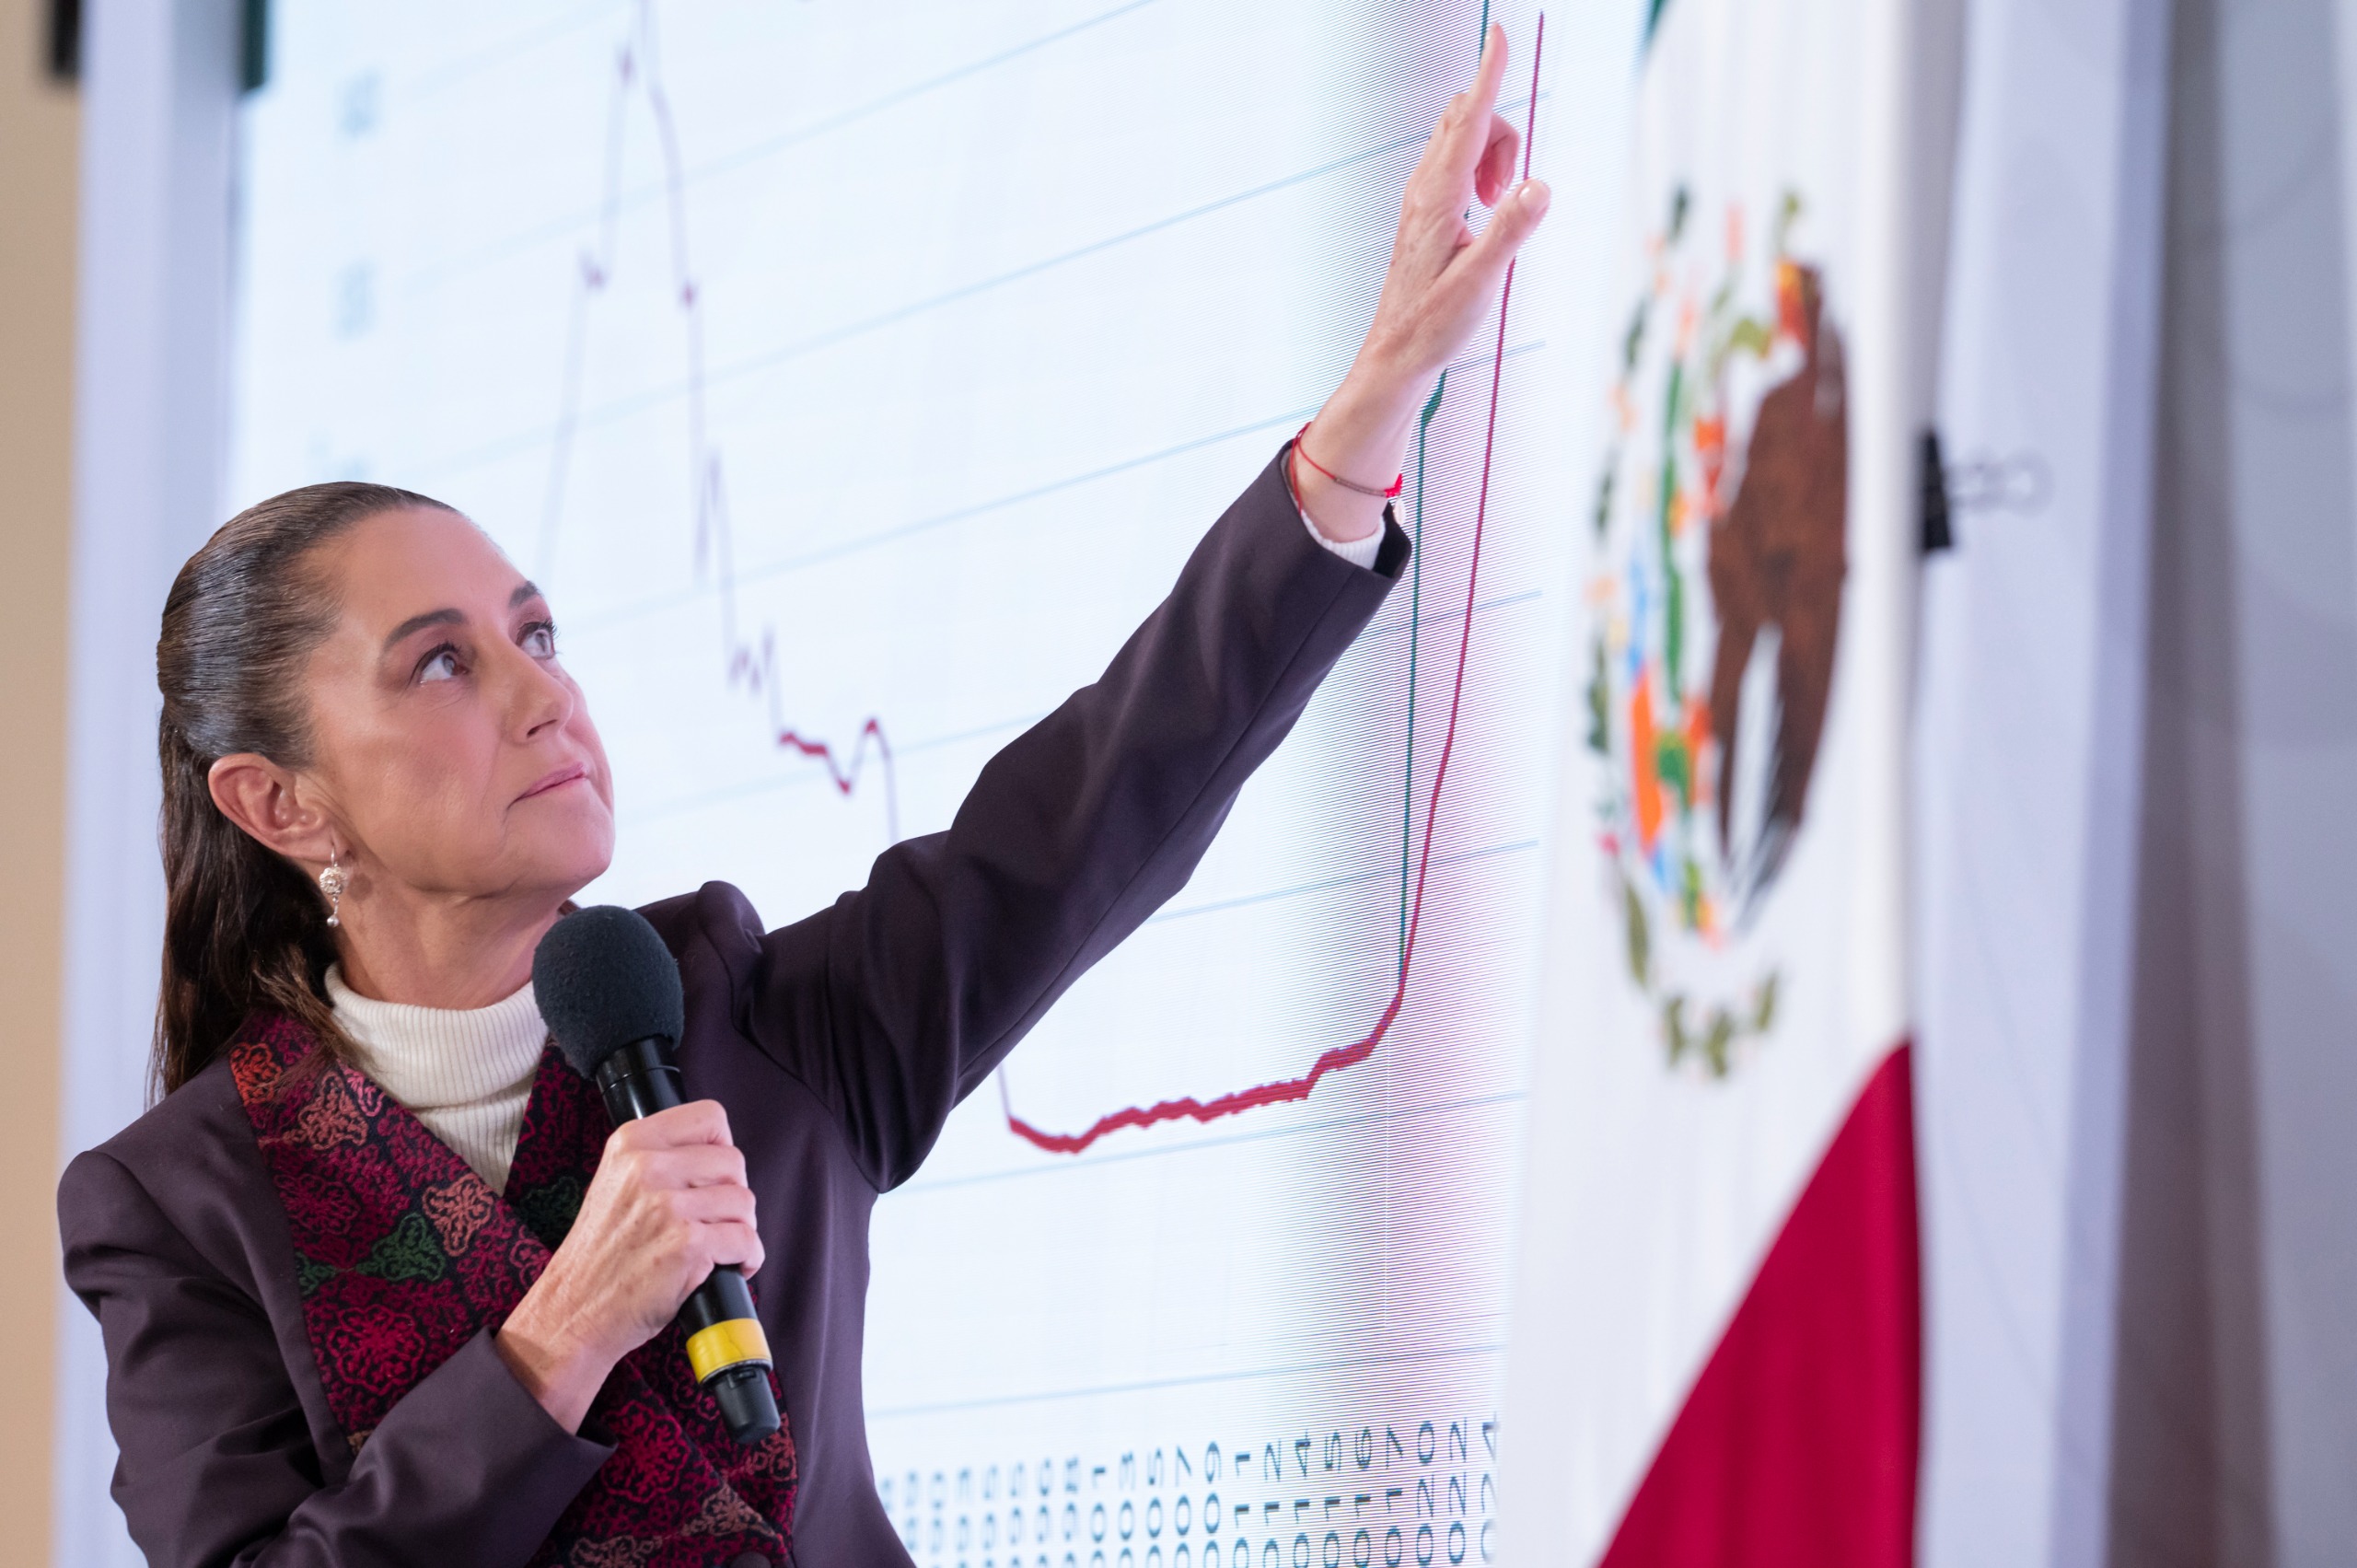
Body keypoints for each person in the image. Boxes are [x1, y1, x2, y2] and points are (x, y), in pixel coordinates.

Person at [58, 29, 1549, 1568]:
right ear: (281, 805)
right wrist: (558, 1338)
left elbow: (1097, 800)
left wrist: (1367, 420)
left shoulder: (744, 1017)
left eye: (536, 634)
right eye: (441, 664)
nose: (541, 694)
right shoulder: (182, 1205)